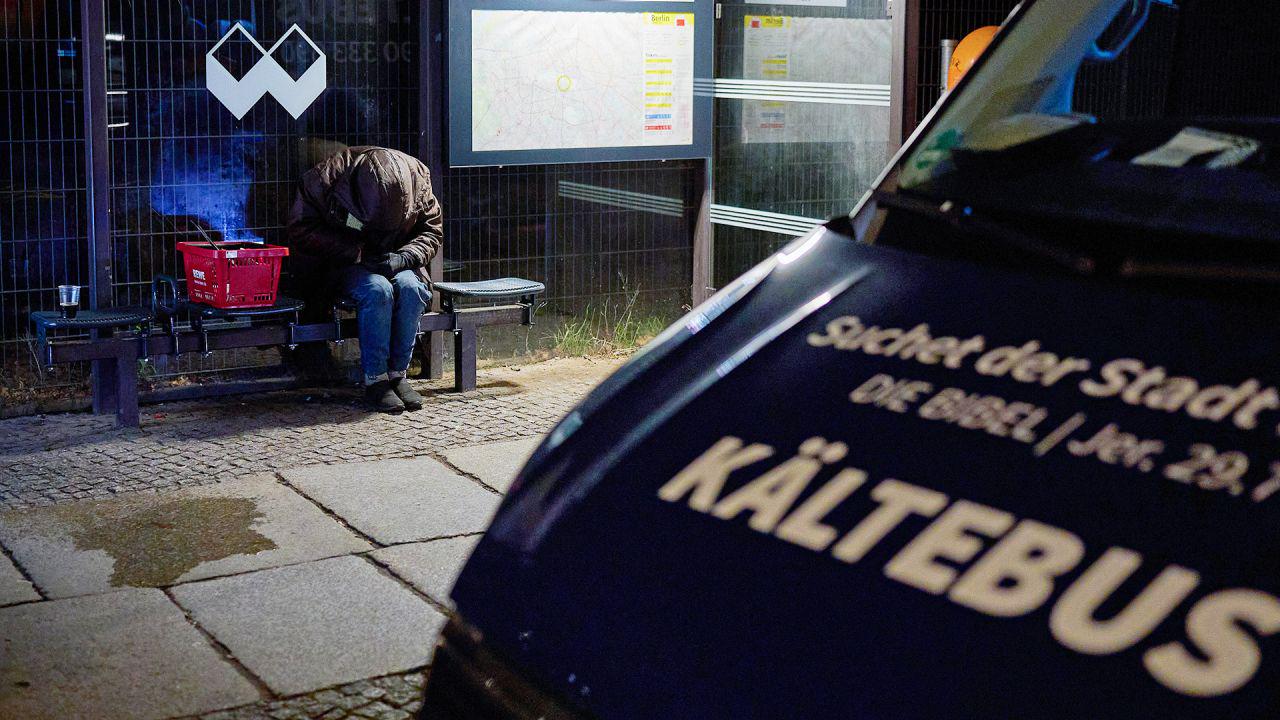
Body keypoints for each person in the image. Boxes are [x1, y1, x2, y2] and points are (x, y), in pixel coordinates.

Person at [285, 146, 443, 413]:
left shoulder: (418, 176)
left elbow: (431, 230)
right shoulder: (323, 180)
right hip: (344, 261)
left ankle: (397, 374)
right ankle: (376, 380)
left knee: (411, 287)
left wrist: (405, 257)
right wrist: (355, 251)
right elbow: (301, 228)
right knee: (377, 290)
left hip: (397, 256)